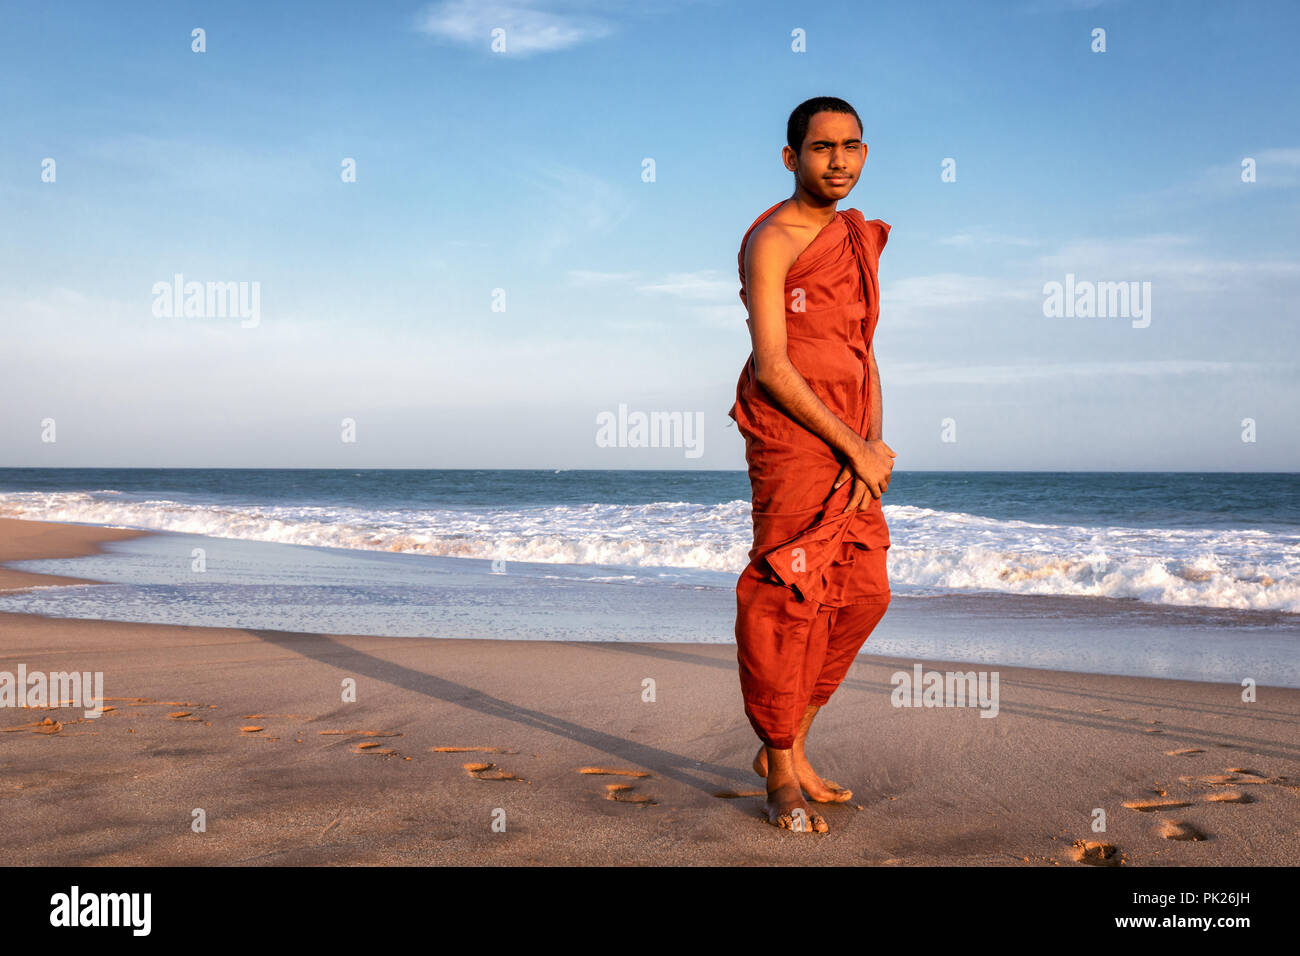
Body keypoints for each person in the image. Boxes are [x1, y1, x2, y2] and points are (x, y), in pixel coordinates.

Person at [728, 96, 896, 833]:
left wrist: (873, 444)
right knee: (789, 597)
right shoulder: (774, 239)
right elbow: (772, 366)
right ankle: (780, 768)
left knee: (861, 594)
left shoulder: (854, 238)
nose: (840, 160)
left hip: (854, 439)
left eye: (852, 146)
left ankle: (789, 746)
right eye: (823, 147)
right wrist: (847, 443)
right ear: (792, 157)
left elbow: (863, 351)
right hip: (794, 433)